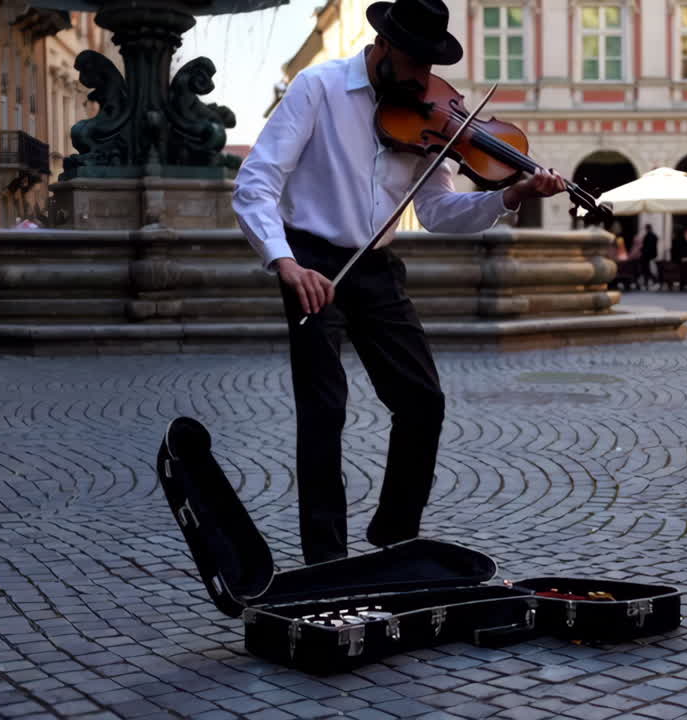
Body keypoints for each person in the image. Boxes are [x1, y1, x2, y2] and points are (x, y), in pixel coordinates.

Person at [232, 0, 567, 563]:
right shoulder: (317, 89)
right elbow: (256, 183)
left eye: (429, 67)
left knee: (423, 401)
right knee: (324, 412)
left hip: (378, 266)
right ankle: (326, 559)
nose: (422, 81)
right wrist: (284, 263)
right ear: (384, 46)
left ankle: (394, 533)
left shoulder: (429, 114)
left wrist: (510, 196)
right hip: (312, 260)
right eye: (414, 65)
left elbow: (437, 212)